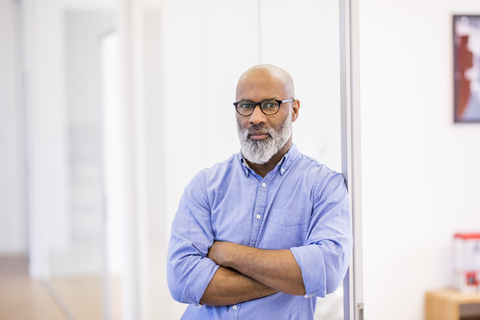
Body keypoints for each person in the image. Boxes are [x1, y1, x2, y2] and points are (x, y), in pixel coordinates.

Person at [167, 64, 352, 320]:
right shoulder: (205, 185)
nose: (255, 118)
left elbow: (328, 271)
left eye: (270, 105)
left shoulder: (324, 186)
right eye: (246, 106)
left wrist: (227, 254)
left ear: (294, 109)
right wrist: (290, 278)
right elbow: (182, 280)